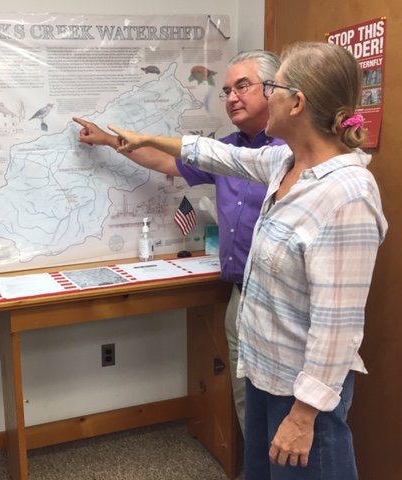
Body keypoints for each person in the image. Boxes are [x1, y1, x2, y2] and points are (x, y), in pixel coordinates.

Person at [107, 41, 387, 480]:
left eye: (270, 86)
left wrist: (303, 415)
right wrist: (142, 138)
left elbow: (339, 325)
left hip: (301, 394)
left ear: (297, 102)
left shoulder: (347, 194)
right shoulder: (284, 161)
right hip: (262, 373)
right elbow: (217, 154)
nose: (260, 96)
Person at [73, 50, 282, 435]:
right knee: (244, 395)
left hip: (282, 296)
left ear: (274, 90)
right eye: (226, 90)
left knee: (283, 401)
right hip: (240, 294)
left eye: (242, 86)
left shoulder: (289, 153)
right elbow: (165, 161)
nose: (231, 97)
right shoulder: (227, 149)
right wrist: (106, 141)